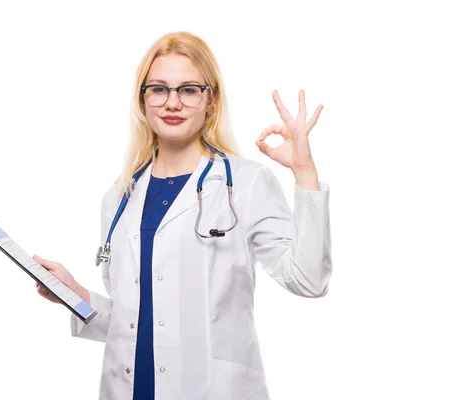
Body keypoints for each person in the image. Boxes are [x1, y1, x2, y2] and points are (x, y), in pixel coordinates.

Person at [33, 31, 331, 400]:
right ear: (143, 100)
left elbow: (309, 280)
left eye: (188, 89)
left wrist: (304, 172)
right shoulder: (120, 196)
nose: (172, 102)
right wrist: (74, 294)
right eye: (159, 89)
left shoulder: (246, 182)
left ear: (211, 100)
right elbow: (137, 321)